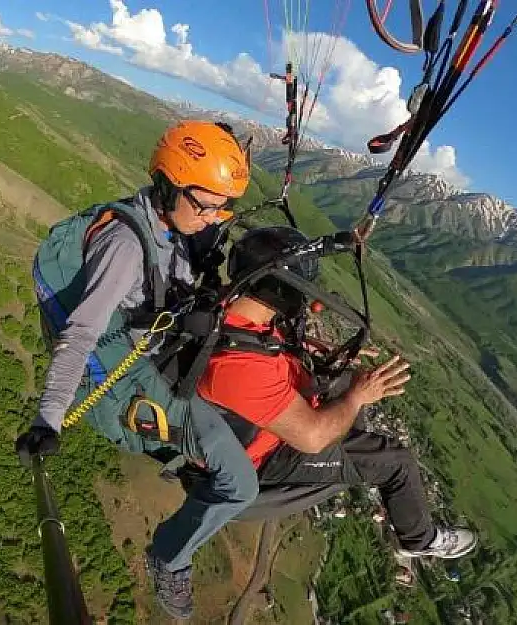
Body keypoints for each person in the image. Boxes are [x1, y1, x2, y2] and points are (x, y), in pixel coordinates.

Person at [16, 120, 259, 619]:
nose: (214, 217)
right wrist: (48, 419)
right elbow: (81, 335)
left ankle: (188, 461)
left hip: (143, 344)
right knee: (240, 481)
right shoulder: (126, 247)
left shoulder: (171, 223)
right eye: (205, 205)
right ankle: (170, 557)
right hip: (116, 381)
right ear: (169, 186)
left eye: (221, 206)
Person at [196, 225, 478, 560]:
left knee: (342, 377)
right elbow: (312, 438)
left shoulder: (229, 308)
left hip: (259, 415)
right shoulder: (239, 367)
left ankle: (350, 448)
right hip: (268, 456)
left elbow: (267, 348)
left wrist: (321, 354)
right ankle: (419, 539)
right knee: (396, 462)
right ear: (282, 289)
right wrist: (358, 397)